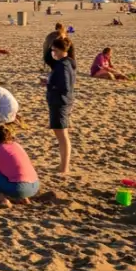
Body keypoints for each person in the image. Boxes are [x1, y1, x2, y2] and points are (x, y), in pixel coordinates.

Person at [0, 123, 40, 208]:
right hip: (34, 185)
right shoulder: (17, 145)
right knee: (16, 174)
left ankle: (2, 199)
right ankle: (24, 199)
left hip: (19, 188)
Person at [47, 38, 75, 174]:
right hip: (62, 102)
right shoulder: (67, 63)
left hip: (60, 103)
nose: (53, 53)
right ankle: (62, 166)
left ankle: (64, 167)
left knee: (62, 136)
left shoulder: (63, 65)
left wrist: (50, 85)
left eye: (54, 50)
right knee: (62, 135)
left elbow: (64, 86)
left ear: (60, 50)